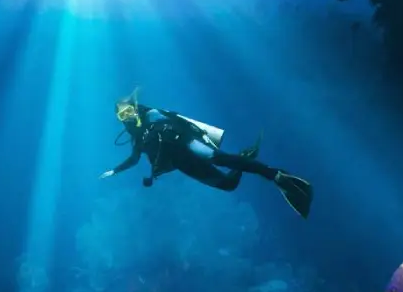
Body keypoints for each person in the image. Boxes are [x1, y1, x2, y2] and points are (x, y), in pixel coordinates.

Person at [99, 90, 313, 218]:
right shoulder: (137, 139)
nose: (127, 117)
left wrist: (164, 127)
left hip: (187, 145)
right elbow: (134, 159)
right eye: (122, 115)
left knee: (218, 158)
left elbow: (176, 122)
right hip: (181, 163)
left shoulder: (152, 115)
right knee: (228, 185)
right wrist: (114, 171)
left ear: (136, 108)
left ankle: (275, 175)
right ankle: (247, 157)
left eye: (129, 111)